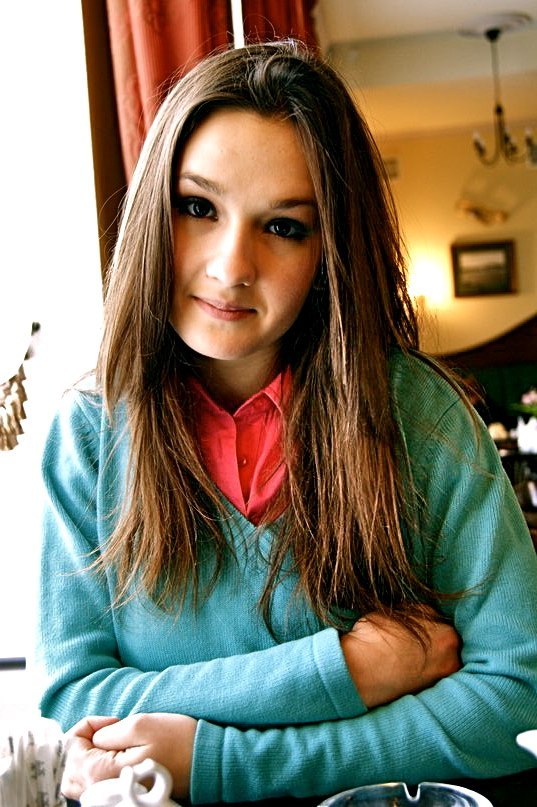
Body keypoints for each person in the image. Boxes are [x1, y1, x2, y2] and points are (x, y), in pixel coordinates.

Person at [36, 40, 537, 804]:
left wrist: (216, 759)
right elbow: (74, 707)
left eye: (284, 226)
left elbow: (517, 698)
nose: (231, 266)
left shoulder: (423, 417)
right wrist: (348, 668)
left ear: (330, 250)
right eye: (197, 207)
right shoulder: (88, 434)